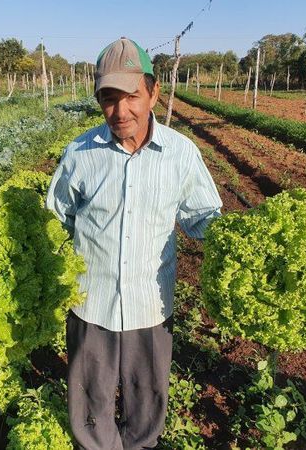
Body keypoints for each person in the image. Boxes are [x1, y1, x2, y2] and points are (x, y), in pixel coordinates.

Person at [46, 37, 222, 450]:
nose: (120, 111)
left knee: (148, 405)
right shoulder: (80, 154)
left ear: (154, 92)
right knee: (90, 407)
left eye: (131, 96)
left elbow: (203, 219)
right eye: (108, 99)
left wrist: (241, 247)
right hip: (92, 304)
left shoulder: (181, 154)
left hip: (150, 306)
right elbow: (57, 218)